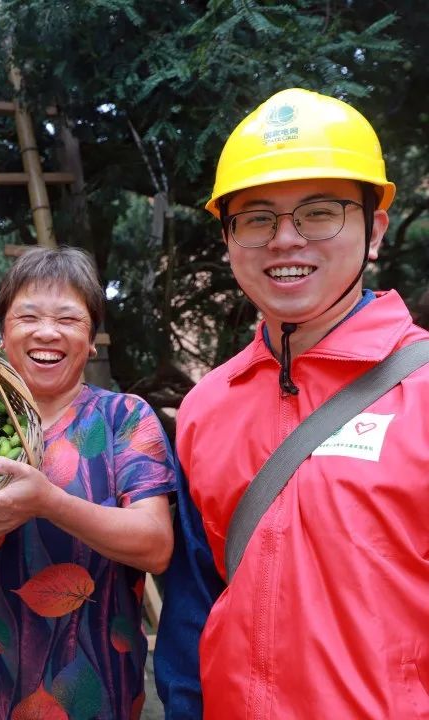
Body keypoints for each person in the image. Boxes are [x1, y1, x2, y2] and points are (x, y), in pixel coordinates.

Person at [155, 88, 429, 718]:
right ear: (229, 239)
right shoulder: (205, 408)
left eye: (319, 212)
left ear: (374, 231)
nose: (285, 239)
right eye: (256, 218)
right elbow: (192, 607)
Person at [0, 246, 177, 720]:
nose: (46, 332)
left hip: (89, 692)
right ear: (2, 335)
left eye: (68, 318)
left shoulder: (124, 418)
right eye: (28, 316)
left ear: (92, 339)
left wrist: (49, 502)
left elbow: (156, 545)